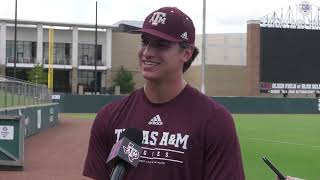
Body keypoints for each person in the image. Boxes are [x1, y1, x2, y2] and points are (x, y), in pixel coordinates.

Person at [83, 6, 245, 180]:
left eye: (161, 45)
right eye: (145, 41)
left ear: (186, 53)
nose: (147, 53)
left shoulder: (215, 120)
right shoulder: (109, 116)